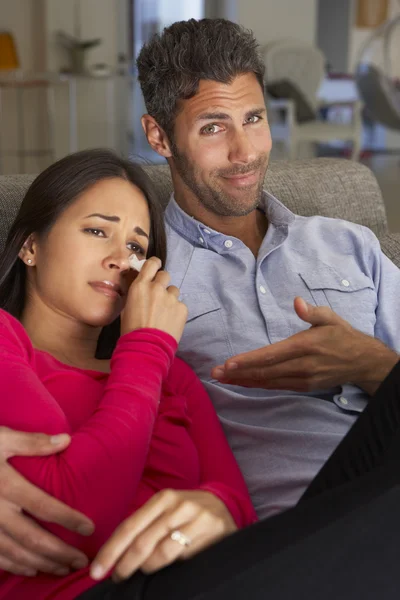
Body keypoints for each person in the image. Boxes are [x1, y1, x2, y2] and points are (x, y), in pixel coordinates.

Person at [2, 17, 400, 598]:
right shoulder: (147, 287)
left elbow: (218, 492)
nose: (244, 152)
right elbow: (69, 383)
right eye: (214, 127)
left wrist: (370, 365)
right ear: (158, 136)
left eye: (255, 120)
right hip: (282, 538)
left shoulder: (350, 244)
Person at [0, 148, 257, 599]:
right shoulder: (7, 340)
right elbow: (74, 517)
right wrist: (146, 348)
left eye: (137, 247)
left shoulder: (172, 376)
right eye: (98, 231)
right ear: (31, 246)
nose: (122, 259)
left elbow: (239, 508)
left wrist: (217, 510)